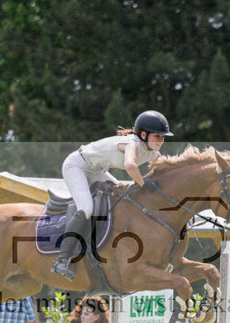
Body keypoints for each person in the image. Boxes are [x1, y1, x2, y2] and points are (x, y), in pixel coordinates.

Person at [52, 110, 173, 280]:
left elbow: (165, 170)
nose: (161, 140)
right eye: (157, 136)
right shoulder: (133, 144)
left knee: (120, 195)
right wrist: (144, 183)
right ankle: (61, 260)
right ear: (143, 134)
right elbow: (130, 166)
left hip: (96, 171)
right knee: (86, 208)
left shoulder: (153, 152)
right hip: (76, 166)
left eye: (163, 137)